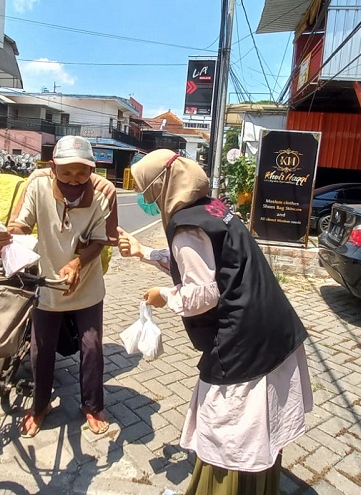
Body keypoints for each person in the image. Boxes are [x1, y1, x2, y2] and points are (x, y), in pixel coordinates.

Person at [119, 149, 312, 495]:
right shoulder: (212, 209)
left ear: (164, 187)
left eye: (147, 192)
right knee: (259, 429)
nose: (146, 201)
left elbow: (204, 293)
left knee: (230, 431)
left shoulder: (186, 228)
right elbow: (209, 264)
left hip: (244, 341)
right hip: (272, 327)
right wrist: (144, 252)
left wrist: (165, 296)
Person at [0, 135, 118, 437]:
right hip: (48, 283)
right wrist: (9, 235)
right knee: (42, 349)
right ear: (53, 167)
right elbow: (21, 224)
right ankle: (39, 407)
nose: (74, 179)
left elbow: (102, 240)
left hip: (87, 284)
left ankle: (92, 406)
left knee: (91, 348)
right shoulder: (37, 187)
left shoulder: (102, 194)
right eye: (66, 172)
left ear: (93, 169)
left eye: (81, 172)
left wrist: (77, 262)